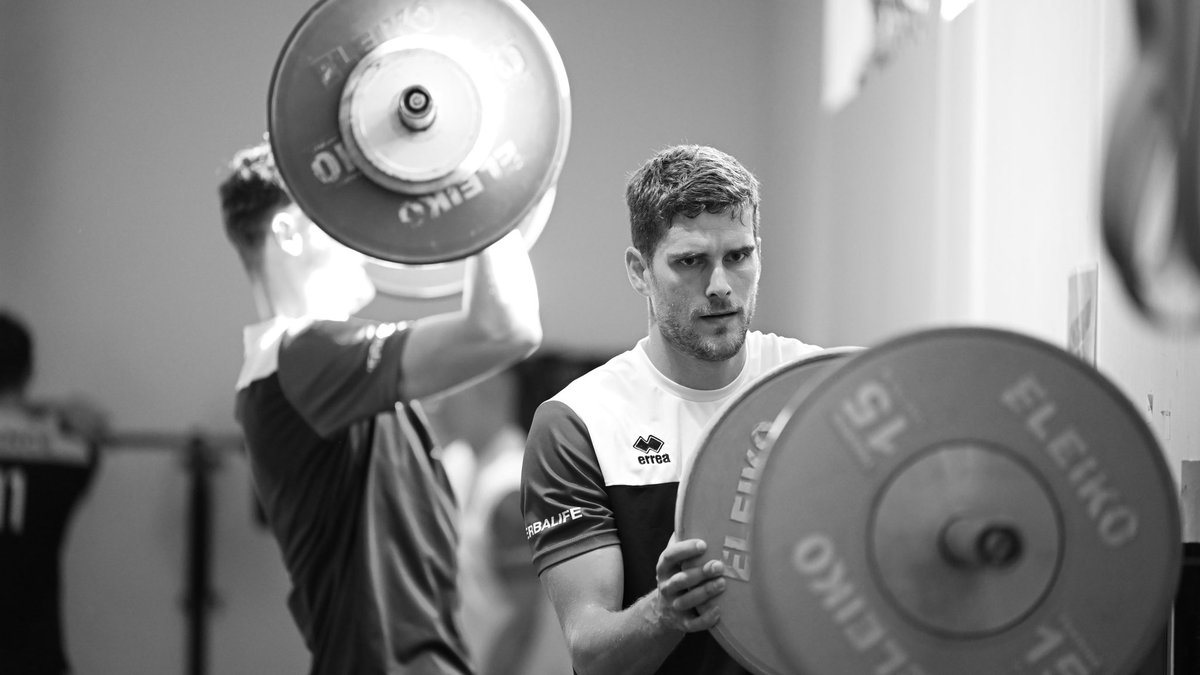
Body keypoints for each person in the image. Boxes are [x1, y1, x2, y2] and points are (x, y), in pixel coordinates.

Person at [218, 139, 542, 675]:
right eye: (338, 216)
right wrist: (474, 179)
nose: (362, 236)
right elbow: (506, 327)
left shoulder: (312, 370)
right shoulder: (298, 358)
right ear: (289, 231)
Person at [520, 144, 822, 674]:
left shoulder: (816, 386)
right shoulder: (578, 424)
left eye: (739, 255)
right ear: (639, 270)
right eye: (690, 261)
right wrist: (668, 610)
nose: (721, 286)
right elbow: (592, 655)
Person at [425, 365, 572, 675]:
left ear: (488, 391)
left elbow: (524, 616)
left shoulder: (512, 489)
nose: (435, 403)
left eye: (448, 388)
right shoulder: (456, 464)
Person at [0, 310, 108, 675]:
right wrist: (56, 410)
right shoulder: (71, 454)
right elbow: (91, 436)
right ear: (29, 372)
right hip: (35, 655)